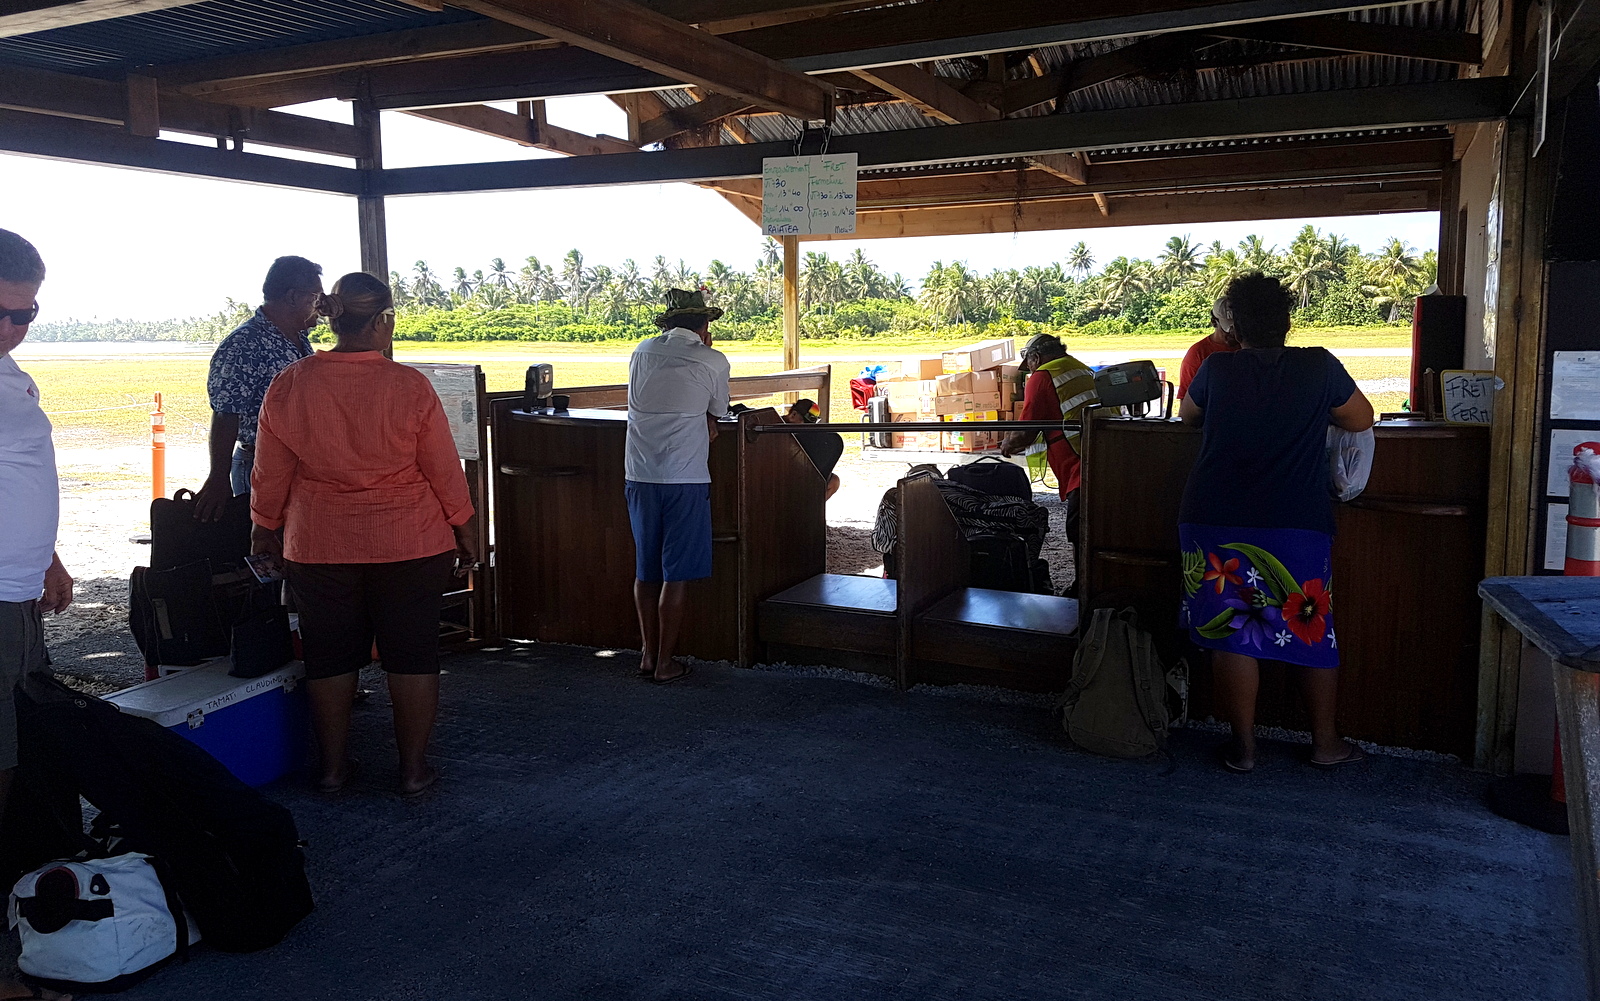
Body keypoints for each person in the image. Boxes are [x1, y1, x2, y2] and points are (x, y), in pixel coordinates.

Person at [250, 273, 475, 797]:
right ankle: (413, 771)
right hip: (410, 543)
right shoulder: (409, 386)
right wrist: (464, 527)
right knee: (412, 655)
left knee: (328, 656)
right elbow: (443, 470)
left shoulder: (290, 383)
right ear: (383, 322)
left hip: (318, 545)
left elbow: (269, 472)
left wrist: (264, 529)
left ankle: (332, 769)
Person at [1177, 272, 1375, 773]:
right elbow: (1361, 418)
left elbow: (1188, 418)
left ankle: (1244, 749)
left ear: (1235, 327)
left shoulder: (1216, 368)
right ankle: (1325, 744)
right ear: (1287, 322)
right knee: (1311, 627)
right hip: (1296, 520)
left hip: (1215, 517)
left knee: (1233, 633)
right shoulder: (1319, 365)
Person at [0, 229, 74, 1001]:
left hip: (19, 595)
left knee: (24, 750)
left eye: (27, 314)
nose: (15, 327)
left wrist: (45, 556)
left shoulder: (12, 376)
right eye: (3, 312)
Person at [625, 288, 731, 685]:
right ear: (704, 326)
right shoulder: (712, 359)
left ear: (667, 324)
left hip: (639, 473)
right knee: (676, 574)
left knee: (646, 570)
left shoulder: (642, 352)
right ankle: (666, 663)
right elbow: (719, 409)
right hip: (684, 476)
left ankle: (648, 655)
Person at [194, 256, 324, 522]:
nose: (320, 306)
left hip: (294, 463)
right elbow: (226, 413)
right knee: (261, 540)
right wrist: (218, 477)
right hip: (259, 464)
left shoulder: (297, 337)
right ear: (292, 297)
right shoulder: (244, 344)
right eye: (316, 297)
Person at [999, 333, 1098, 536]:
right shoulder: (1082, 369)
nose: (1031, 371)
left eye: (1030, 365)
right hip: (1101, 458)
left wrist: (1008, 444)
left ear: (1035, 357)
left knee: (1079, 531)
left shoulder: (1043, 376)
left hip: (1078, 464)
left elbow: (1025, 433)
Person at [1177, 297, 1240, 400]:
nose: (1234, 333)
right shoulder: (1197, 353)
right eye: (1228, 328)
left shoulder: (1250, 348)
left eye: (1237, 327)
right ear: (1214, 322)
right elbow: (1186, 399)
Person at [783, 399, 842, 500]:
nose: (807, 429)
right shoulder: (775, 427)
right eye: (804, 423)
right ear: (793, 415)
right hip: (783, 475)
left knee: (834, 481)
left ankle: (813, 507)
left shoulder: (806, 435)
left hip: (801, 475)